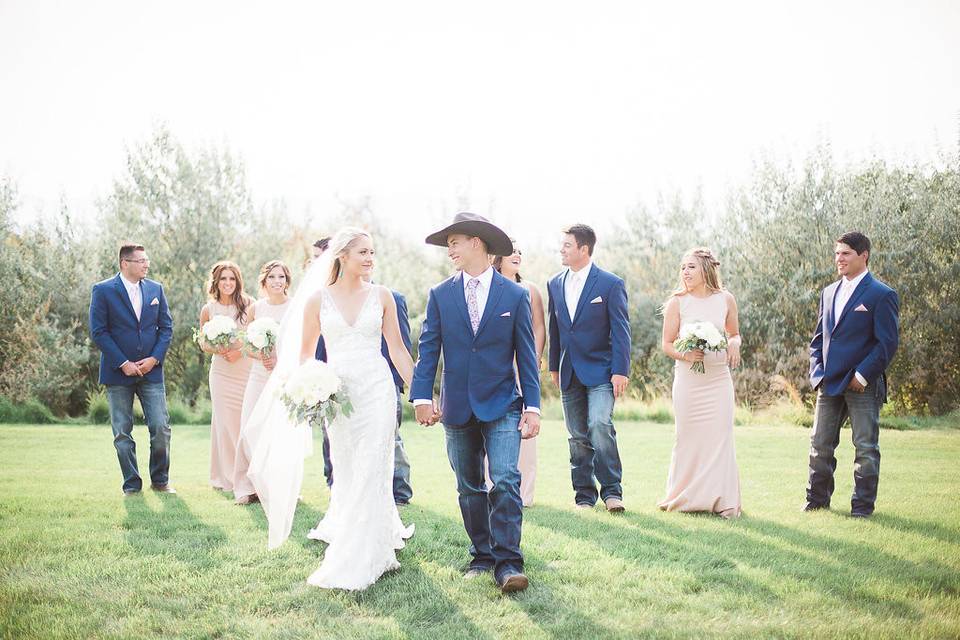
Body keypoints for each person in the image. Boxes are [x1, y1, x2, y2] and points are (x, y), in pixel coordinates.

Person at [248, 227, 415, 591]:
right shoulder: (316, 301)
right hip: (337, 397)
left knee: (374, 464)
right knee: (349, 469)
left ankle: (361, 553)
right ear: (342, 256)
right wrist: (310, 390)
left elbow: (398, 350)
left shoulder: (382, 296)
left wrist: (420, 395)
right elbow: (306, 355)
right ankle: (370, 542)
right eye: (363, 253)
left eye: (373, 252)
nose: (370, 259)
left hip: (377, 391)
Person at [411, 212, 541, 594]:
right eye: (448, 243)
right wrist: (422, 395)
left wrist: (532, 406)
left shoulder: (515, 295)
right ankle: (482, 555)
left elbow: (527, 355)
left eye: (455, 241)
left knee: (505, 480)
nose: (449, 248)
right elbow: (429, 348)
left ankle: (509, 563)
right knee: (469, 486)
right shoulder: (440, 294)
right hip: (456, 407)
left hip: (503, 403)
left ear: (478, 244)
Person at [805, 231, 899, 518]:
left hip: (863, 385)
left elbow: (887, 344)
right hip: (829, 383)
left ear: (863, 255)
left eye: (845, 253)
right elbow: (818, 339)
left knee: (866, 448)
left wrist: (862, 375)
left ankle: (862, 508)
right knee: (820, 445)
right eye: (836, 254)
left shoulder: (882, 294)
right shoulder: (828, 292)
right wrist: (817, 373)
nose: (839, 259)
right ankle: (816, 501)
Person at [546, 224, 631, 512]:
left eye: (567, 245)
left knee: (599, 424)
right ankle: (584, 495)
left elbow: (621, 331)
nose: (562, 250)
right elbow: (555, 328)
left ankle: (612, 492)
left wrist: (621, 370)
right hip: (568, 370)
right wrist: (554, 366)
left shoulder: (610, 284)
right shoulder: (554, 284)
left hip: (603, 371)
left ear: (584, 249)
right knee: (577, 436)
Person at [658, 248, 742, 518]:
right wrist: (686, 354)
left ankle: (723, 500)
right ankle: (685, 497)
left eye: (691, 266)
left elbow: (734, 334)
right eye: (683, 267)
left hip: (718, 380)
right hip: (689, 382)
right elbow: (667, 344)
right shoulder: (677, 303)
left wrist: (734, 345)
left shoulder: (725, 299)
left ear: (706, 269)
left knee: (720, 438)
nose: (685, 272)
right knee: (687, 439)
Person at [89, 244, 174, 496]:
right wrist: (123, 363)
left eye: (147, 259)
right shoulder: (103, 290)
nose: (146, 264)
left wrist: (154, 359)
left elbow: (166, 328)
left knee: (160, 427)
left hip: (152, 372)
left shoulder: (156, 289)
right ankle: (131, 484)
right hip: (118, 373)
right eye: (141, 260)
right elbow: (98, 331)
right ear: (125, 263)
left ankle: (160, 480)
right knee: (122, 432)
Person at [490, 240, 545, 507]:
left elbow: (538, 329)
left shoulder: (529, 290)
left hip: (522, 367)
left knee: (525, 426)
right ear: (497, 256)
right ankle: (491, 485)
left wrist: (531, 361)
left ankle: (524, 493)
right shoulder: (487, 287)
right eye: (511, 249)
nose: (517, 254)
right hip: (494, 366)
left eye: (520, 250)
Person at [234, 260, 292, 505]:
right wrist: (263, 355)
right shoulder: (256, 308)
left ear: (287, 281)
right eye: (272, 277)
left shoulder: (295, 307)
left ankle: (281, 488)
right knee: (250, 429)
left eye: (281, 277)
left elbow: (301, 342)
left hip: (284, 376)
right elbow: (246, 344)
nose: (277, 281)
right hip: (258, 374)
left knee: (281, 433)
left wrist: (279, 359)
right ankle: (247, 487)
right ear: (264, 281)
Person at [198, 261, 253, 492]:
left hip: (246, 370)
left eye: (232, 279)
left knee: (246, 423)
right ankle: (227, 477)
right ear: (216, 282)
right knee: (225, 424)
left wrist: (238, 351)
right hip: (221, 372)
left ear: (237, 281)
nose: (228, 283)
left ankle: (249, 474)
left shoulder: (250, 304)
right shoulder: (208, 309)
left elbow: (257, 337)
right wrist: (216, 349)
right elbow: (202, 341)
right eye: (223, 279)